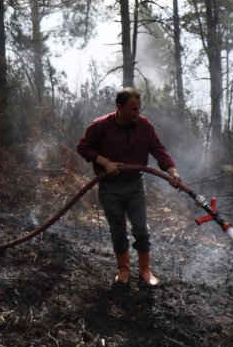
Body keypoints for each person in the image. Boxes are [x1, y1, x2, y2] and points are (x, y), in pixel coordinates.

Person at [76, 87, 182, 287]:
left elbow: (158, 149)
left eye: (139, 108)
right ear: (119, 107)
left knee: (141, 229)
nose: (137, 113)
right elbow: (83, 147)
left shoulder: (144, 125)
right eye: (132, 109)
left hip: (134, 185)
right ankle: (123, 270)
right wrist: (104, 162)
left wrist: (172, 170)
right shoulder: (100, 126)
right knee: (117, 229)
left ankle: (145, 270)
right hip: (109, 187)